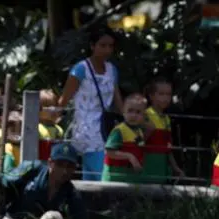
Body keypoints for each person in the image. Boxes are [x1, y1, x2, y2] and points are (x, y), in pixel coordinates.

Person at [58, 26, 123, 181]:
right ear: (92, 46)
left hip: (105, 126)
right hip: (85, 128)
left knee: (93, 174)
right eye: (102, 45)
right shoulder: (80, 70)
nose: (107, 50)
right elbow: (64, 99)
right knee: (100, 173)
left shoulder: (112, 70)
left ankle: (91, 204)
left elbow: (117, 99)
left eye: (110, 46)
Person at [0, 142, 88, 219]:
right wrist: (1, 217)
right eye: (60, 165)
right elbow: (3, 183)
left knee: (54, 216)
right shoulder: (32, 169)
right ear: (50, 163)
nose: (64, 171)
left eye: (70, 166)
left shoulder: (71, 194)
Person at [142, 77, 184, 184]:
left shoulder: (166, 119)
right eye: (161, 94)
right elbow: (136, 142)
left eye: (168, 94)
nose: (165, 98)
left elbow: (168, 147)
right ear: (151, 96)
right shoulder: (145, 115)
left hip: (161, 166)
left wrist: (175, 167)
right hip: (146, 165)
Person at [102, 93, 146, 184]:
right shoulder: (119, 131)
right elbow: (109, 152)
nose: (133, 115)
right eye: (130, 111)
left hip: (130, 179)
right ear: (123, 112)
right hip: (114, 178)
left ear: (144, 115)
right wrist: (130, 157)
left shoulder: (140, 131)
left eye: (138, 112)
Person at [37, 89, 64, 162]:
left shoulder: (59, 130)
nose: (52, 110)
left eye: (54, 106)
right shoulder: (36, 128)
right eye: (48, 107)